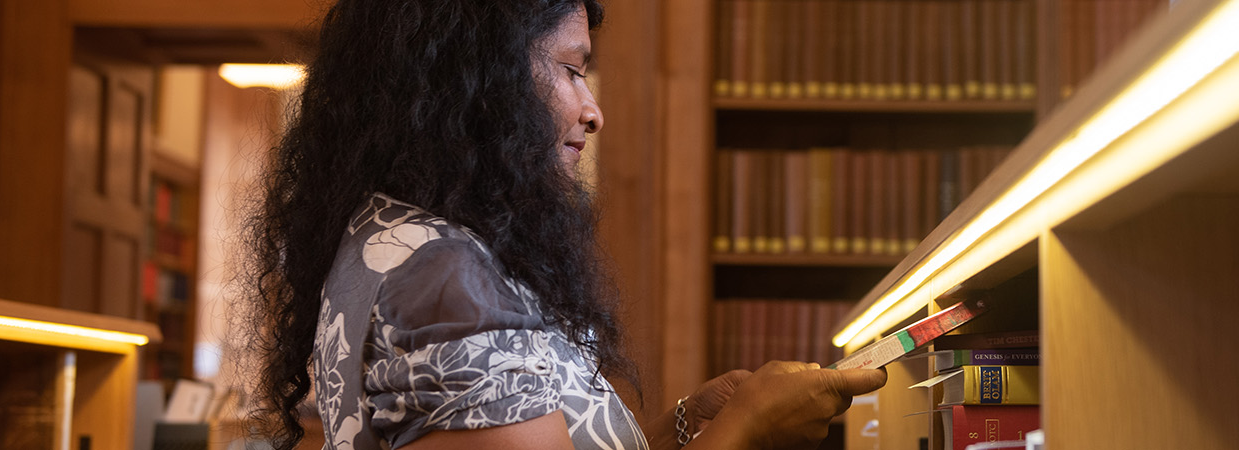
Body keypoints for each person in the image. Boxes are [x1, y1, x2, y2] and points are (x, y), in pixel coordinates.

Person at [239, 0, 887, 449]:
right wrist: (751, 429)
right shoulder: (442, 278)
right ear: (478, 78)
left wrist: (686, 426)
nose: (592, 111)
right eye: (573, 71)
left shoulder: (414, 243)